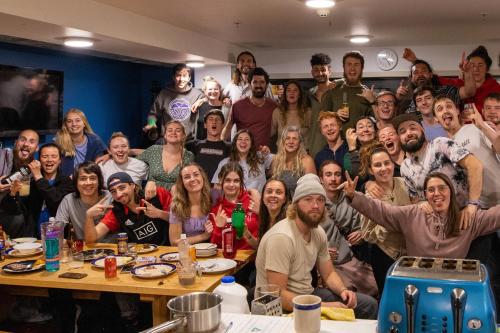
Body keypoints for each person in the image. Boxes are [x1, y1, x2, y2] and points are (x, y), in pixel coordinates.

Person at [255, 173, 378, 318]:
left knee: (369, 305)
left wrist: (343, 290)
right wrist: (325, 306)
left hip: (308, 294)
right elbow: (278, 295)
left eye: (320, 200)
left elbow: (329, 273)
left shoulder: (317, 232)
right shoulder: (281, 238)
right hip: (280, 307)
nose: (315, 206)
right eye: (308, 199)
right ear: (296, 204)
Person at [345, 171, 500, 258]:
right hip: (418, 281)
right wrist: (354, 196)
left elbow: (496, 215)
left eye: (442, 188)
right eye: (431, 190)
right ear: (426, 195)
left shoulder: (466, 218)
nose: (437, 194)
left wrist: (473, 205)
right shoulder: (413, 214)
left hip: (452, 283)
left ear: (451, 192)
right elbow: (382, 210)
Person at [393, 113, 483, 227]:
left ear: (422, 130)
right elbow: (415, 199)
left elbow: (475, 165)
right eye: (402, 131)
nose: (409, 133)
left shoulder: (440, 144)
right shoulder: (404, 167)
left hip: (469, 217)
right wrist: (421, 203)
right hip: (440, 227)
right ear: (399, 138)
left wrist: (472, 204)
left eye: (412, 128)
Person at [318, 160, 378, 298]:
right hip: (324, 264)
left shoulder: (350, 199)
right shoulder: (315, 201)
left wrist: (361, 235)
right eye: (328, 175)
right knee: (347, 294)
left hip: (349, 260)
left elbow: (362, 228)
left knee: (379, 286)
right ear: (321, 179)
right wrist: (320, 252)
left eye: (337, 174)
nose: (333, 179)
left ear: (342, 178)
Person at [358, 145, 411, 293]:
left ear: (393, 163)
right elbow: (367, 234)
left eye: (387, 163)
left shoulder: (405, 183)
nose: (383, 168)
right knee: (390, 297)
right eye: (377, 165)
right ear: (370, 170)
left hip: (410, 251)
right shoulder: (369, 197)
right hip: (384, 255)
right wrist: (388, 225)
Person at [433, 95, 499, 208]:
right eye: (440, 109)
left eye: (449, 106)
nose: (445, 110)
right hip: (480, 208)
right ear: (436, 119)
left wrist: (482, 125)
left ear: (457, 110)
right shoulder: (443, 147)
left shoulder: (476, 128)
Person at [1, 143, 73, 237]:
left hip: (59, 236)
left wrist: (38, 177)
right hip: (33, 238)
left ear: (60, 161)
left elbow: (56, 201)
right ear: (39, 160)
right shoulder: (30, 182)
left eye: (54, 156)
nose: (49, 160)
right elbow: (12, 210)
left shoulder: (67, 182)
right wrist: (12, 193)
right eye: (45, 156)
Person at [84, 172, 172, 245]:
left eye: (122, 188)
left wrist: (159, 214)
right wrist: (89, 216)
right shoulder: (117, 212)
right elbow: (91, 239)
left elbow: (181, 220)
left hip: (167, 252)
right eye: (113, 191)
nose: (118, 194)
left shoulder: (157, 194)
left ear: (132, 185)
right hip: (139, 258)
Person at [143, 63, 204, 141]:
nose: (181, 79)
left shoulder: (197, 94)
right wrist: (151, 123)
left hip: (188, 141)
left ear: (189, 78)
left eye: (184, 76)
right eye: (178, 75)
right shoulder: (164, 93)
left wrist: (202, 100)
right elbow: (153, 114)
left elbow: (213, 98)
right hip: (168, 141)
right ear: (173, 77)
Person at [321, 51, 375, 136]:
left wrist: (373, 101)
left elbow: (376, 122)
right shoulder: (333, 91)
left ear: (362, 68)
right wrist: (335, 115)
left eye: (356, 65)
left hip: (361, 145)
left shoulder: (368, 94)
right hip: (337, 145)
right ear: (344, 67)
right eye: (349, 64)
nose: (352, 68)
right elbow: (321, 119)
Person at [396, 58, 474, 115]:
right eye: (416, 72)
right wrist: (398, 99)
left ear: (431, 74)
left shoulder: (446, 91)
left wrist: (468, 73)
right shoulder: (408, 98)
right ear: (411, 78)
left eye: (423, 71)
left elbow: (469, 92)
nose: (420, 75)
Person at [222, 67, 277, 149]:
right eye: (255, 82)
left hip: (264, 155)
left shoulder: (273, 106)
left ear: (266, 84)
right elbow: (227, 128)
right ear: (250, 84)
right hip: (243, 154)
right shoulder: (238, 106)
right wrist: (218, 145)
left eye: (262, 82)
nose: (258, 85)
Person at [209, 162, 259, 251]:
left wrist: (261, 213)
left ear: (241, 182)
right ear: (221, 181)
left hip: (253, 258)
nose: (232, 185)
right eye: (227, 180)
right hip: (228, 259)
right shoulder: (217, 208)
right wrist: (219, 228)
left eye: (236, 181)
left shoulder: (253, 200)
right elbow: (214, 247)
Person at [56, 162, 112, 241]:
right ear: (76, 182)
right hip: (83, 248)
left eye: (92, 178)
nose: (88, 183)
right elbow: (57, 228)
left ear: (99, 181)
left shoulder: (110, 197)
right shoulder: (68, 200)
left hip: (110, 247)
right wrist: (60, 240)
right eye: (83, 179)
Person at [0, 129, 39, 238]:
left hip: (12, 208)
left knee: (21, 218)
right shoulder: (2, 155)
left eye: (32, 141)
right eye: (23, 140)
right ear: (16, 142)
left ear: (37, 147)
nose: (26, 144)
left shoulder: (33, 168)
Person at [137, 120, 194, 190]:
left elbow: (190, 181)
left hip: (176, 198)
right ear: (165, 135)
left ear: (183, 136)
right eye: (170, 130)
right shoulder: (154, 150)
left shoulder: (189, 156)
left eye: (178, 130)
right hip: (151, 198)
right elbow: (134, 164)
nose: (173, 133)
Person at [168, 163, 213, 245]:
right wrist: (204, 236)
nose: (192, 179)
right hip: (187, 253)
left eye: (196, 175)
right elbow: (174, 242)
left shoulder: (213, 199)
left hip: (212, 252)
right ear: (182, 182)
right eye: (187, 177)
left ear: (202, 177)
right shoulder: (177, 205)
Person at [55, 108, 107, 177]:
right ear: (66, 125)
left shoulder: (95, 141)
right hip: (66, 183)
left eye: (78, 120)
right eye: (69, 121)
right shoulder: (58, 142)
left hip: (88, 181)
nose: (74, 124)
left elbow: (99, 165)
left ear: (84, 123)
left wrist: (109, 155)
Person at [185, 109, 231, 180]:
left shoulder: (230, 147)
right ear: (205, 125)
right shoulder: (194, 145)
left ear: (222, 125)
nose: (214, 122)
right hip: (199, 187)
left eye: (217, 119)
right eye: (211, 119)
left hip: (218, 188)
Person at [306, 53, 337, 156]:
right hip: (313, 148)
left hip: (334, 147)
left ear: (329, 70)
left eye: (323, 69)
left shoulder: (338, 90)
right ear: (312, 72)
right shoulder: (309, 94)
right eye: (316, 70)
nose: (320, 73)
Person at [271, 126, 316, 195]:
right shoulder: (276, 160)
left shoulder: (307, 161)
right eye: (287, 138)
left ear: (300, 143)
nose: (291, 142)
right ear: (283, 141)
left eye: (294, 139)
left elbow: (312, 189)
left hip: (298, 202)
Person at [271, 80, 311, 149]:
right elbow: (270, 132)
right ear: (285, 94)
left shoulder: (308, 112)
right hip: (282, 155)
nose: (291, 93)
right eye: (288, 90)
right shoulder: (277, 112)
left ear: (299, 95)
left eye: (295, 90)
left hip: (303, 154)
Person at [192, 76, 230, 140]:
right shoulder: (199, 106)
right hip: (200, 145)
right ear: (205, 91)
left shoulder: (226, 107)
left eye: (216, 89)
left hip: (220, 146)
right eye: (210, 89)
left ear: (220, 91)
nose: (213, 91)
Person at [257, 178, 290, 242]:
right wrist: (247, 234)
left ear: (285, 199)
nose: (273, 195)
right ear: (263, 198)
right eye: (269, 192)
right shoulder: (264, 218)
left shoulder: (289, 221)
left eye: (278, 192)